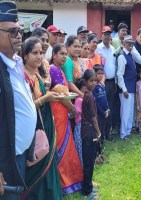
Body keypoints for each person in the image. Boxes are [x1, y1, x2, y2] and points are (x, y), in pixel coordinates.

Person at [0, 2, 36, 199]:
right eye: (12, 32)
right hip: (3, 162)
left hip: (18, 155)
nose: (19, 36)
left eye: (20, 30)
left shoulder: (16, 62)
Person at [21, 37, 62, 199]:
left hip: (46, 126)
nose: (39, 56)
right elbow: (26, 107)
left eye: (41, 53)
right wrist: (45, 99)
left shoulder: (36, 75)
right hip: (33, 130)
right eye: (34, 53)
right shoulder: (23, 77)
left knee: (49, 164)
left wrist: (51, 95)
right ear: (25, 55)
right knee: (37, 165)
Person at [49, 43, 83, 195]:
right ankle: (63, 183)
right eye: (61, 53)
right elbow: (62, 96)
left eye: (65, 54)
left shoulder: (60, 70)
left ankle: (69, 181)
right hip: (58, 111)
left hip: (62, 111)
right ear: (54, 55)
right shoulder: (53, 69)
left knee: (68, 147)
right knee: (62, 147)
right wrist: (72, 108)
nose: (64, 56)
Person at [80, 69, 101, 199]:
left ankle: (89, 185)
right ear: (85, 82)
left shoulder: (88, 94)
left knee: (90, 159)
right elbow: (93, 117)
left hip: (87, 130)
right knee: (89, 160)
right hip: (89, 131)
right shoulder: (89, 96)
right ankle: (87, 191)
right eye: (91, 81)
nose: (94, 83)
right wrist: (98, 132)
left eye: (95, 81)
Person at [95, 26, 116, 141]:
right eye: (105, 34)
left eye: (109, 34)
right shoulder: (98, 48)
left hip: (112, 83)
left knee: (110, 108)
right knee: (102, 108)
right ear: (101, 35)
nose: (107, 36)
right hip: (102, 83)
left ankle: (108, 133)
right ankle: (101, 133)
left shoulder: (113, 49)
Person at [117, 35, 137, 140]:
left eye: (131, 43)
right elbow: (119, 74)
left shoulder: (130, 55)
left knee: (130, 112)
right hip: (126, 89)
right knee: (125, 113)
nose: (130, 45)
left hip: (131, 87)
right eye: (128, 43)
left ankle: (128, 131)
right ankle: (123, 134)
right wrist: (124, 89)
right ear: (124, 44)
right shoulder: (122, 56)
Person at [93, 64, 110, 164]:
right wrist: (103, 112)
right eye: (98, 74)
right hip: (99, 114)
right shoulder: (94, 87)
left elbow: (105, 99)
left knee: (102, 132)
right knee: (98, 133)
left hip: (105, 113)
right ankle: (97, 154)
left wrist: (107, 109)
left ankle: (101, 152)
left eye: (101, 74)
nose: (100, 76)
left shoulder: (102, 85)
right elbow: (96, 102)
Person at [74, 78, 86, 166]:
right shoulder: (79, 100)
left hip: (82, 125)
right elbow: (77, 112)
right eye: (84, 87)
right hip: (80, 126)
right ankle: (81, 165)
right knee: (81, 147)